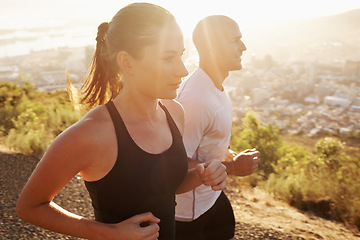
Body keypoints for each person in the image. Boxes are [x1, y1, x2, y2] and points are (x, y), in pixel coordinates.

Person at [15, 3, 227, 240]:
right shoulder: (91, 134)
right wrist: (110, 232)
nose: (182, 69)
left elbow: (163, 188)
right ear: (127, 62)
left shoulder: (174, 113)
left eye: (181, 55)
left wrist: (201, 174)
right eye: (168, 58)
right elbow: (29, 207)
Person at [174, 15, 261, 240]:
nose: (243, 47)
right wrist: (232, 167)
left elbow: (205, 142)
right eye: (235, 40)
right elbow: (175, 165)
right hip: (187, 215)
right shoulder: (195, 100)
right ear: (208, 46)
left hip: (210, 197)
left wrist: (229, 155)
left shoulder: (214, 85)